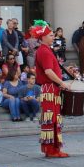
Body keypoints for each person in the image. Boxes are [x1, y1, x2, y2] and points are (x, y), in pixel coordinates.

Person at [32, 20, 74, 158]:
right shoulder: (44, 51)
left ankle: (52, 149)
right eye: (50, 35)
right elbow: (49, 72)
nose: (53, 37)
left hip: (51, 89)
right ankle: (52, 150)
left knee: (53, 119)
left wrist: (65, 71)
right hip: (50, 89)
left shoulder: (46, 50)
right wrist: (63, 83)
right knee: (52, 119)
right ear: (43, 37)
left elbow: (52, 69)